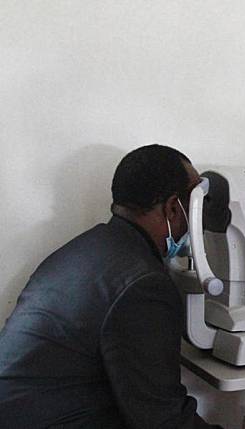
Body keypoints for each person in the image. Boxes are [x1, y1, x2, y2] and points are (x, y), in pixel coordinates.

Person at [0, 145, 223, 428]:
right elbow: (162, 418)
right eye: (194, 203)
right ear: (172, 208)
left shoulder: (87, 249)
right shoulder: (144, 285)